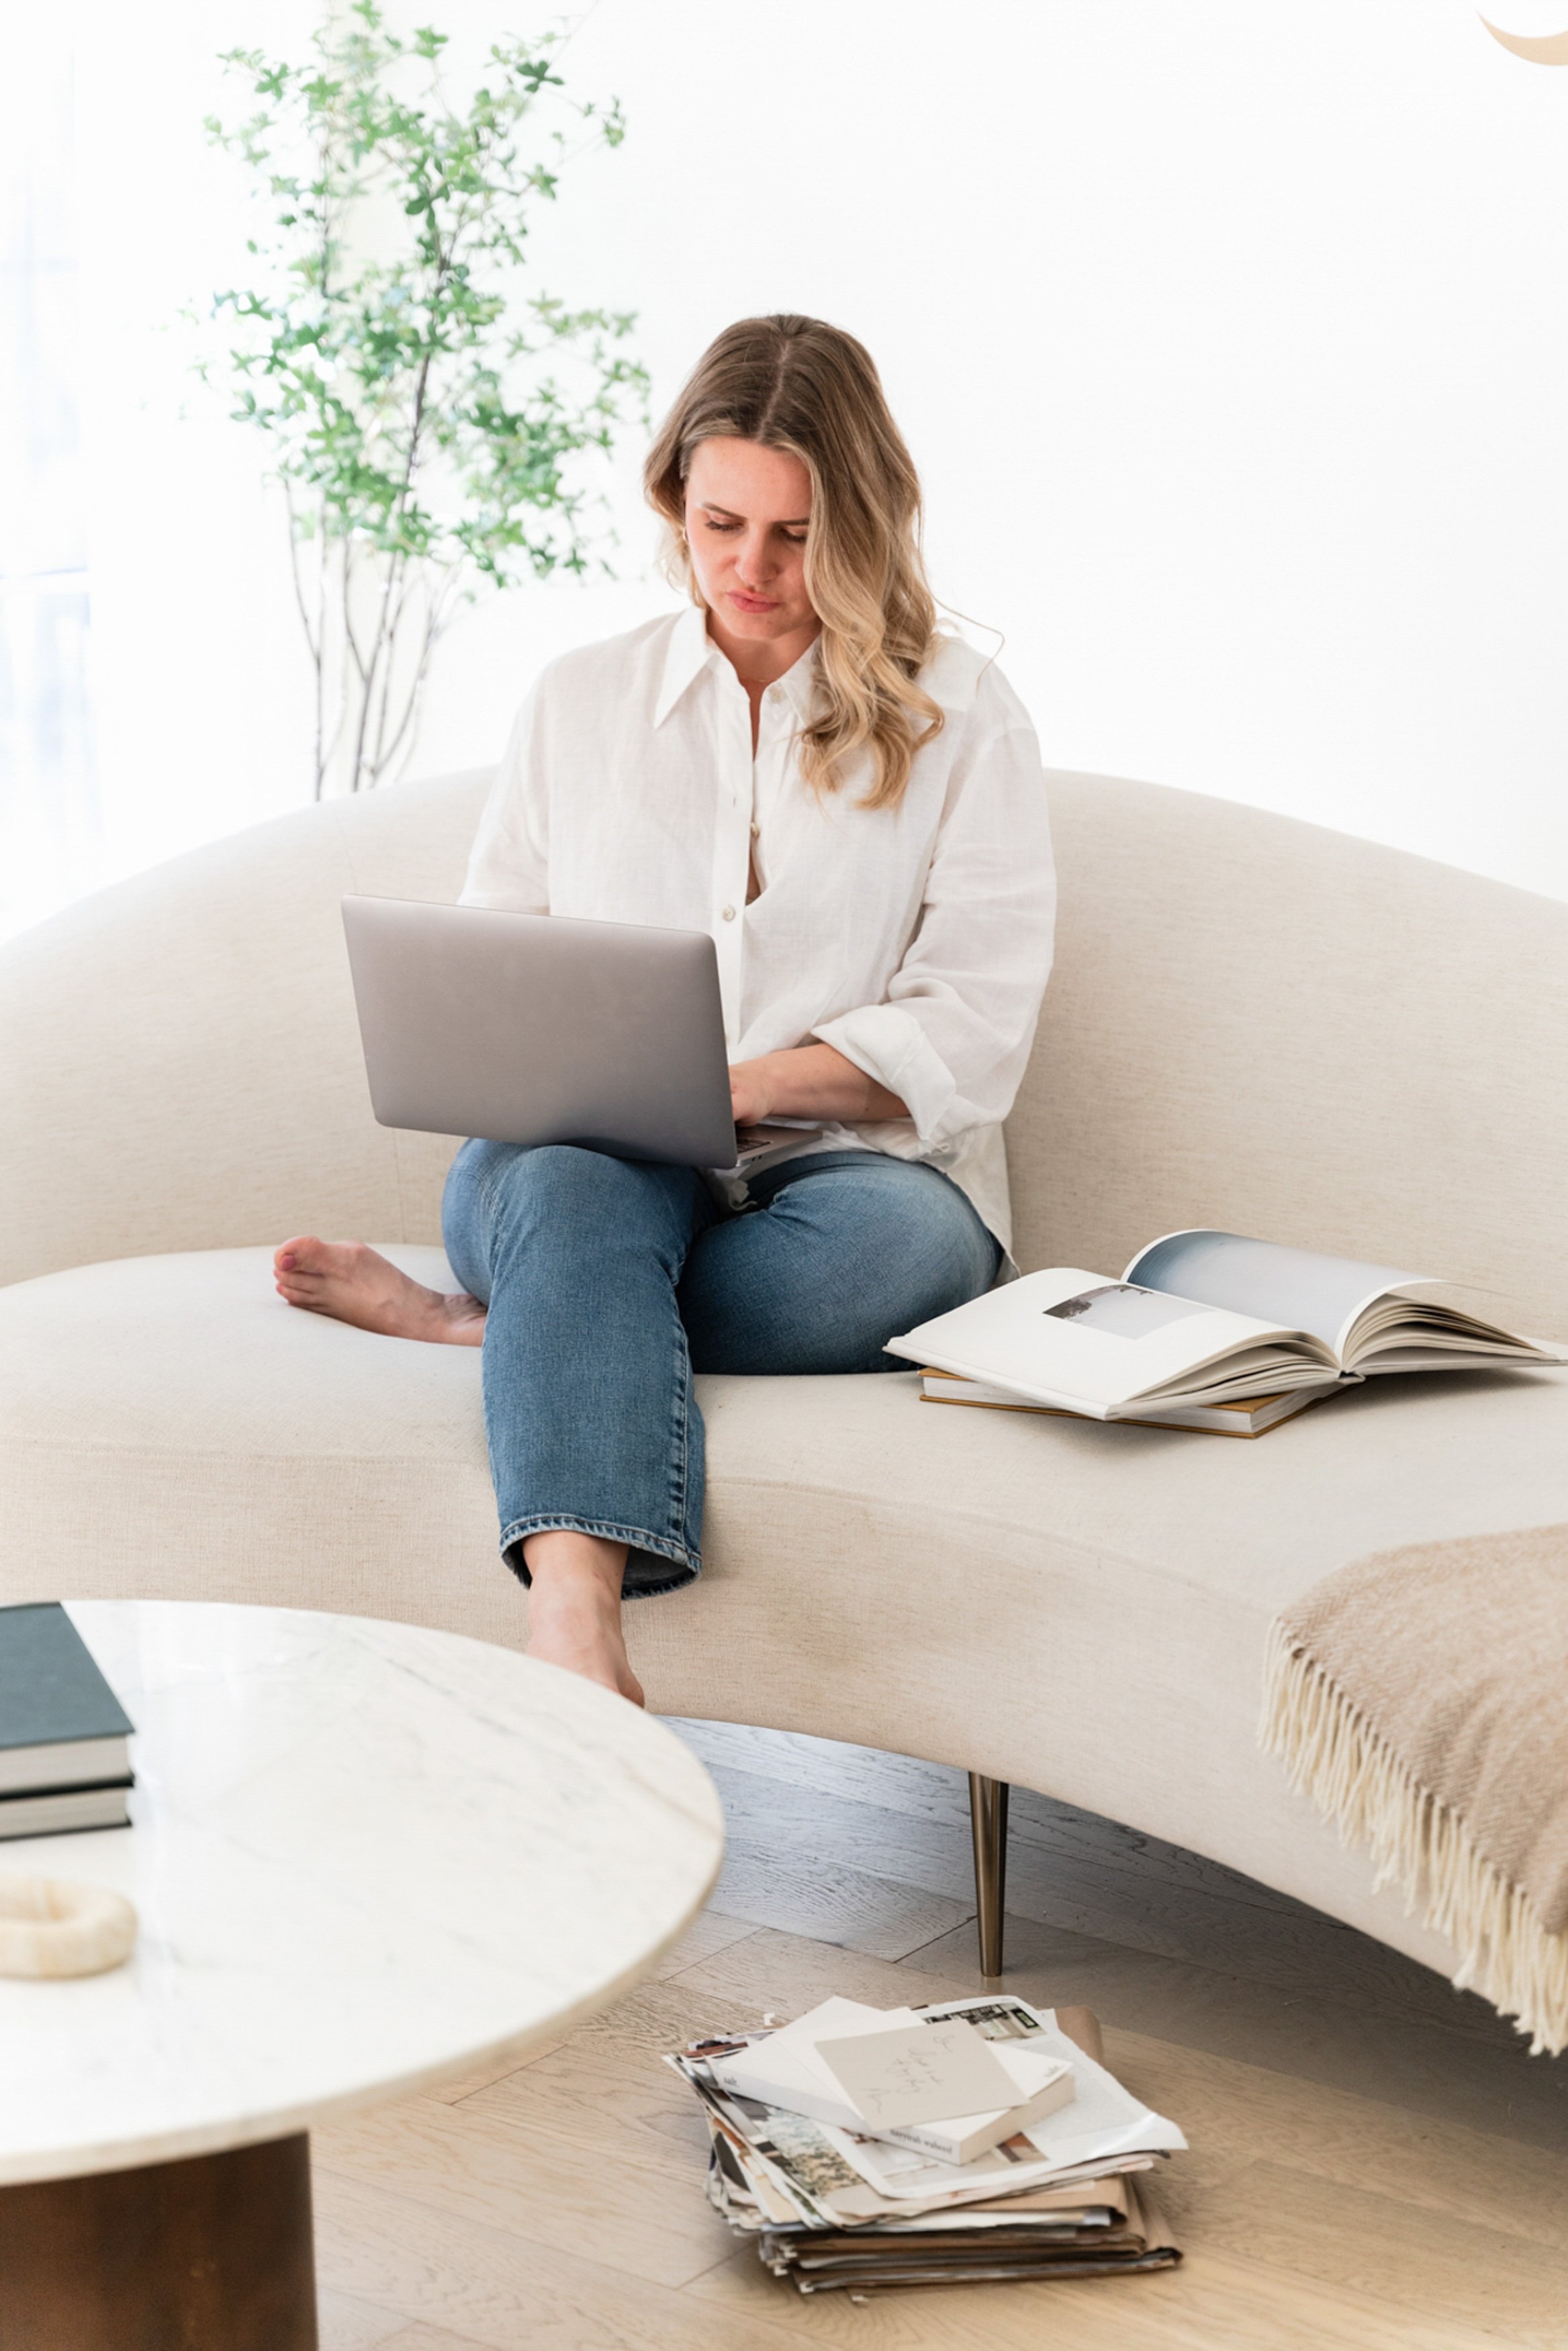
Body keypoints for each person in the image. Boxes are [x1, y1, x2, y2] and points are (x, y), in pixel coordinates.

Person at [273, 313, 1056, 1704]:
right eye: (719, 523)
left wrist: (738, 1085)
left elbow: (974, 1028)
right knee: (574, 1201)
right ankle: (576, 1629)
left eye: (795, 536)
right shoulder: (580, 703)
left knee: (900, 1267)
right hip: (584, 1165)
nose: (749, 570)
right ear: (670, 504)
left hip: (850, 1182)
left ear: (864, 521)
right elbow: (498, 965)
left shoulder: (963, 713)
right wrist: (614, 1087)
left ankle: (494, 1326)